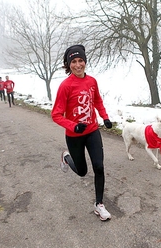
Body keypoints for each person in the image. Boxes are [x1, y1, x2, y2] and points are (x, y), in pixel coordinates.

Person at [51, 45, 113, 221]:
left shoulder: (92, 81)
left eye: (81, 61)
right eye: (74, 62)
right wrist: (73, 126)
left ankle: (99, 204)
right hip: (74, 136)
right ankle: (66, 157)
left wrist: (105, 117)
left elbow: (97, 101)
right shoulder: (65, 86)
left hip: (92, 131)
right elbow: (55, 115)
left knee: (99, 167)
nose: (78, 65)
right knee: (82, 172)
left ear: (85, 62)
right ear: (68, 64)